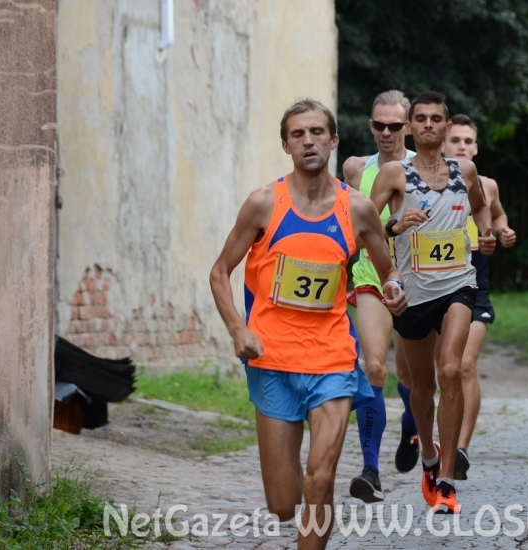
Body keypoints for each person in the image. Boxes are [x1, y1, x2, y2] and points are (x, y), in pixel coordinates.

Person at [209, 99, 407, 550]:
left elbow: (387, 268)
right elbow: (220, 271)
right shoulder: (263, 203)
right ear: (286, 145)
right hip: (273, 359)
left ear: (333, 139)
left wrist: (394, 287)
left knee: (320, 479)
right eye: (297, 134)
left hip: (332, 359)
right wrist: (239, 330)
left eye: (317, 132)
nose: (308, 141)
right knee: (283, 504)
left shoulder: (358, 209)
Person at [370, 91, 497, 514]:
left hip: (459, 284)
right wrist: (394, 225)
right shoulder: (394, 174)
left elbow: (481, 208)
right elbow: (363, 229)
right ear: (410, 127)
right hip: (414, 294)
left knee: (451, 370)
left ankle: (446, 481)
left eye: (435, 118)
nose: (428, 124)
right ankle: (428, 454)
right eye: (420, 118)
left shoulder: (465, 170)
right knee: (421, 388)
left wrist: (486, 235)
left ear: (446, 127)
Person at [342, 90, 419, 503]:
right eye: (379, 125)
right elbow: (350, 229)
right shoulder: (356, 168)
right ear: (370, 126)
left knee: (412, 378)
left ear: (408, 127)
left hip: (418, 284)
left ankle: (411, 427)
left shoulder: (427, 169)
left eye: (394, 125)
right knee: (372, 366)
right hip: (371, 277)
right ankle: (370, 470)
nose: (386, 132)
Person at [443, 114, 516, 480]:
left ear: (476, 148)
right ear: (443, 144)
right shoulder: (425, 184)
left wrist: (503, 231)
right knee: (445, 370)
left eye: (468, 141)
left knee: (466, 365)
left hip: (475, 277)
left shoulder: (487, 185)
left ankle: (460, 449)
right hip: (437, 280)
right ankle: (435, 441)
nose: (462, 146)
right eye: (455, 140)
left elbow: (498, 215)